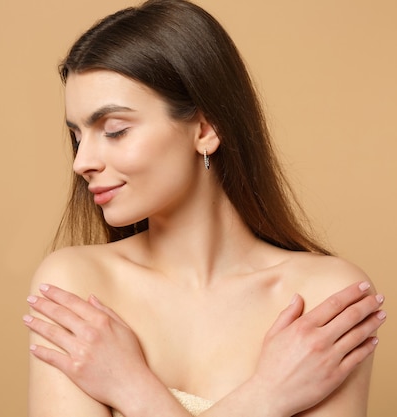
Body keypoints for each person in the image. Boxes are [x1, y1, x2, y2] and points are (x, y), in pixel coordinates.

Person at [23, 1, 386, 416]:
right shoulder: (77, 286)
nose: (82, 161)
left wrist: (132, 390)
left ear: (205, 128)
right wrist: (267, 398)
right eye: (77, 136)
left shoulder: (323, 298)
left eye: (114, 131)